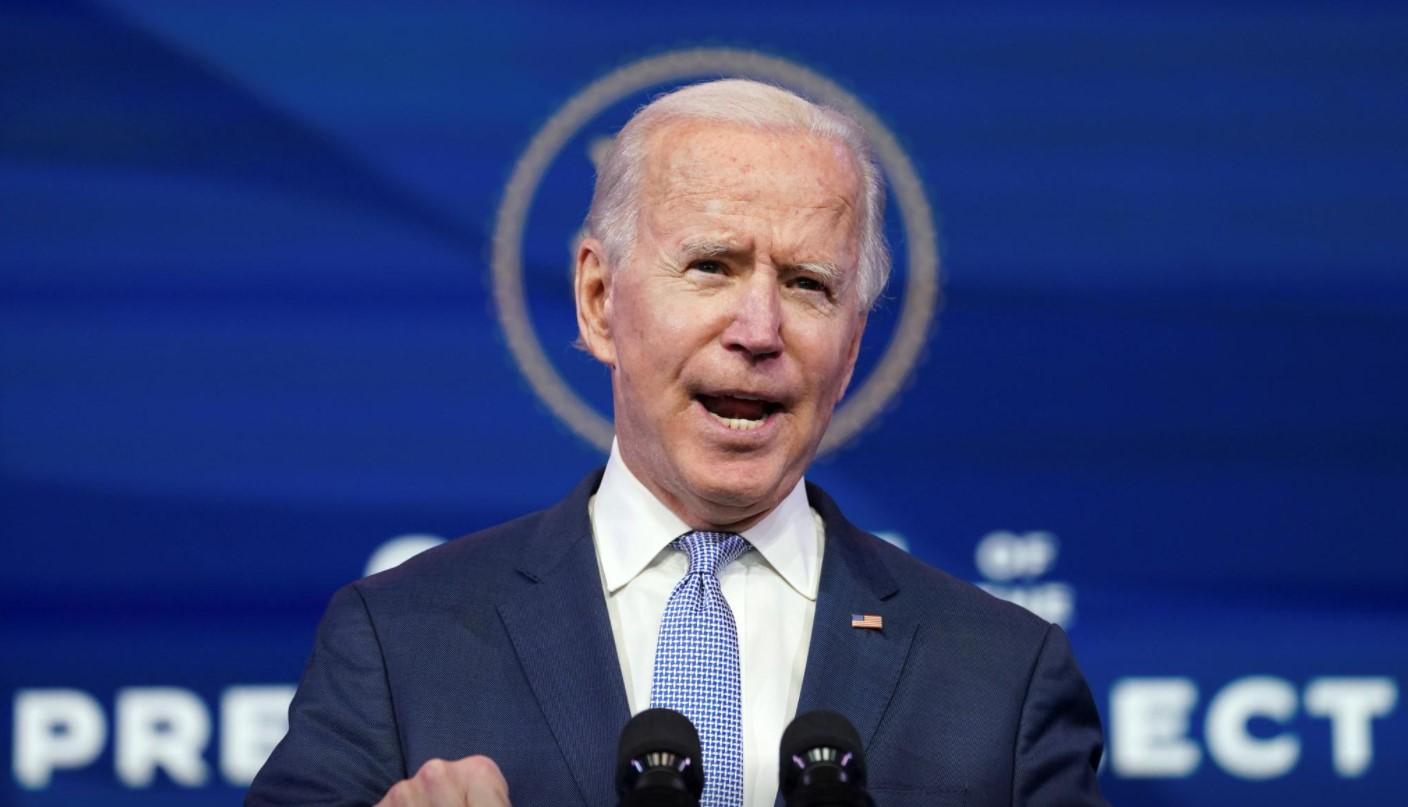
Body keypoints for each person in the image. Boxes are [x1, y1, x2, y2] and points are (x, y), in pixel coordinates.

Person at [247, 79, 1108, 807]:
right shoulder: (400, 644)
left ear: (851, 348)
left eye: (809, 284)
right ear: (597, 300)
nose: (759, 329)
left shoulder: (1003, 679)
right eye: (712, 267)